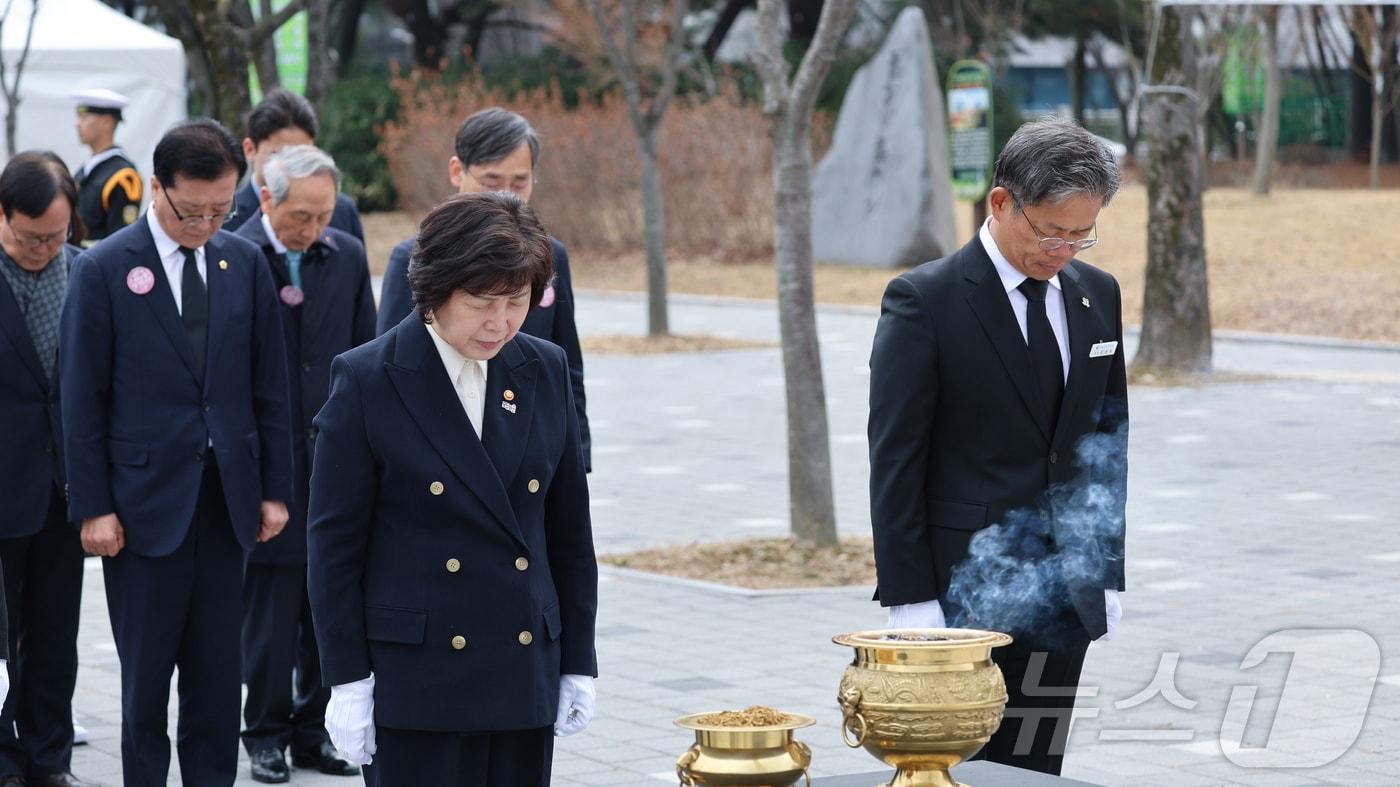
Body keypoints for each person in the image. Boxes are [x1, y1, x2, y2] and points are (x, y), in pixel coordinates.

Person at [308, 192, 597, 787]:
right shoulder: (368, 378)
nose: (500, 323)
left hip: (521, 667)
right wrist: (347, 680)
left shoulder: (542, 368)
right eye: (480, 303)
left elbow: (569, 532)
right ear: (434, 292)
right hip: (419, 676)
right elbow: (334, 548)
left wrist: (578, 661)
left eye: (517, 302)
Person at [868, 119, 1128, 776]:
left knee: (1037, 767)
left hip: (1066, 588)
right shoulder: (923, 301)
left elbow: (1108, 439)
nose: (1065, 248)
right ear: (1001, 203)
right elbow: (894, 460)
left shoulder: (1099, 296)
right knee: (956, 769)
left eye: (1082, 233)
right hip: (960, 596)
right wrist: (910, 597)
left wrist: (1109, 567)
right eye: (1050, 231)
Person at [59, 119, 294, 787]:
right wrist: (94, 506)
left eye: (222, 208)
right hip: (140, 509)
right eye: (192, 210)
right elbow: (81, 397)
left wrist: (275, 487)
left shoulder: (244, 261)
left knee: (218, 680)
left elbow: (268, 387)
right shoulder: (107, 267)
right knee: (145, 686)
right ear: (156, 187)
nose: (206, 222)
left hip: (225, 503)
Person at [232, 145, 375, 783]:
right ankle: (263, 732)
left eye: (323, 216)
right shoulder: (234, 257)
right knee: (270, 612)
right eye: (300, 217)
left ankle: (315, 729)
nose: (313, 229)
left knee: (331, 605)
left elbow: (368, 352)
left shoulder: (343, 256)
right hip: (266, 464)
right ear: (266, 198)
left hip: (335, 461)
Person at [375, 107, 590, 470]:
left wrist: (576, 452)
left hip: (524, 442)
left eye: (520, 182)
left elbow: (567, 364)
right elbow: (392, 367)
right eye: (492, 182)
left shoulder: (550, 256)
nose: (507, 194)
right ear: (457, 172)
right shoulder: (416, 258)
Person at [0, 152, 92, 787]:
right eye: (29, 236)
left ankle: (48, 759)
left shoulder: (86, 274)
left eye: (54, 236)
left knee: (56, 639)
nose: (42, 248)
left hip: (65, 491)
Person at [225, 90, 363, 243]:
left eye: (301, 155)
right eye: (278, 154)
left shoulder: (341, 211)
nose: (292, 164)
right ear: (250, 149)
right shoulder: (223, 216)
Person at [71, 89, 143, 242]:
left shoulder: (123, 176)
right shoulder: (85, 171)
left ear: (106, 122)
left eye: (84, 117)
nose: (77, 125)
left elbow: (122, 237)